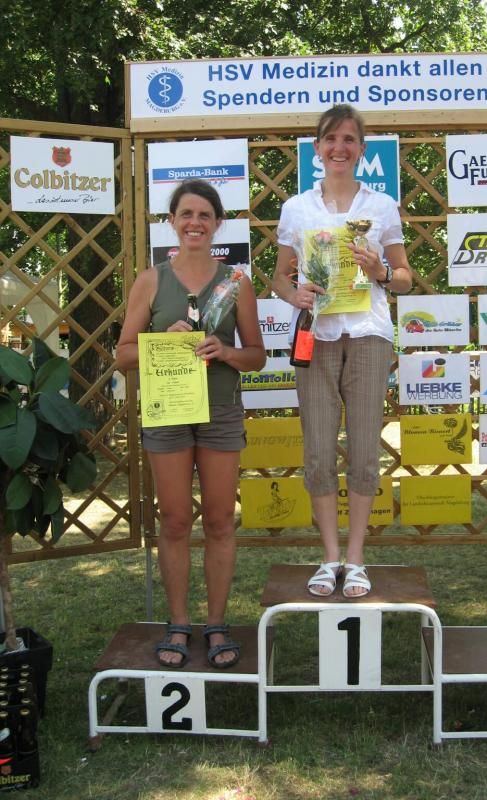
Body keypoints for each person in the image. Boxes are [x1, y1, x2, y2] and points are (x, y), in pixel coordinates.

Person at [116, 179, 266, 667]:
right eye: (186, 214)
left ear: (218, 223)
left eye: (204, 215)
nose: (195, 223)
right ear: (172, 222)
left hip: (220, 411)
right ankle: (179, 623)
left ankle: (217, 624)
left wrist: (225, 351)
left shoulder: (236, 283)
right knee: (176, 520)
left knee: (220, 521)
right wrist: (163, 339)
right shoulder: (151, 281)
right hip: (169, 412)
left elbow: (257, 356)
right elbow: (123, 355)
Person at [273, 104, 412, 598]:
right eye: (331, 139)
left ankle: (356, 559)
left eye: (349, 139)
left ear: (361, 149)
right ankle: (329, 556)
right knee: (317, 449)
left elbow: (405, 278)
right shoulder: (296, 208)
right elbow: (279, 278)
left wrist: (379, 271)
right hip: (316, 333)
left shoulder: (382, 205)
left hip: (369, 333)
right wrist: (294, 294)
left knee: (364, 450)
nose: (339, 148)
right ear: (317, 148)